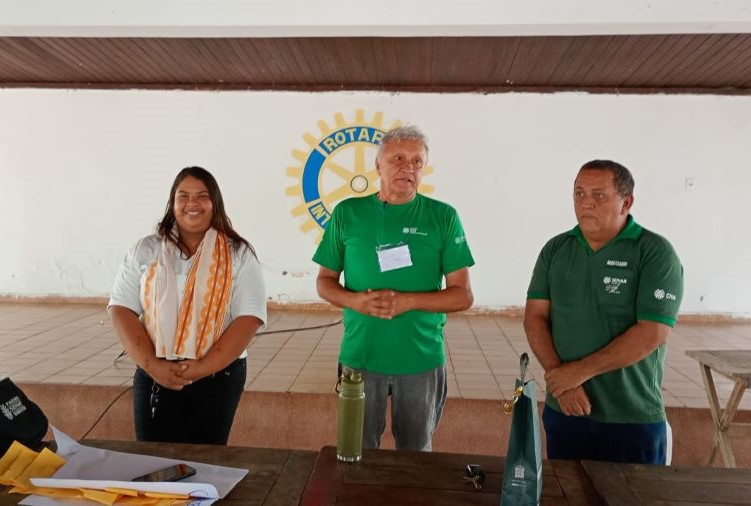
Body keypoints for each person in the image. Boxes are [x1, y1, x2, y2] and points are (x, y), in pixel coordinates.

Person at [312, 125, 475, 451]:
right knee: (355, 451)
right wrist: (355, 301)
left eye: (417, 161)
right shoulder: (347, 213)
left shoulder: (443, 217)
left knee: (416, 454)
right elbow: (324, 282)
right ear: (378, 165)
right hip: (360, 355)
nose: (408, 168)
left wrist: (409, 301)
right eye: (398, 158)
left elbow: (463, 295)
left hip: (420, 359)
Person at [524, 159, 683, 464]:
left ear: (627, 202)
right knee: (566, 487)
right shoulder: (556, 249)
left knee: (632, 490)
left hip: (630, 417)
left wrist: (578, 372)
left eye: (599, 195)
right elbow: (535, 317)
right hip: (566, 409)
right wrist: (561, 381)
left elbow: (653, 332)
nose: (586, 203)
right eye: (579, 194)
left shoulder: (655, 252)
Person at [108, 166, 266, 445]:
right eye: (183, 196)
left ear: (215, 203)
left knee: (206, 458)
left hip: (218, 375)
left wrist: (203, 367)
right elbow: (122, 309)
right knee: (154, 459)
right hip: (155, 372)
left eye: (202, 196)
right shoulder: (145, 250)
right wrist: (153, 366)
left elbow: (249, 317)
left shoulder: (239, 254)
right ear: (173, 203)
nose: (192, 204)